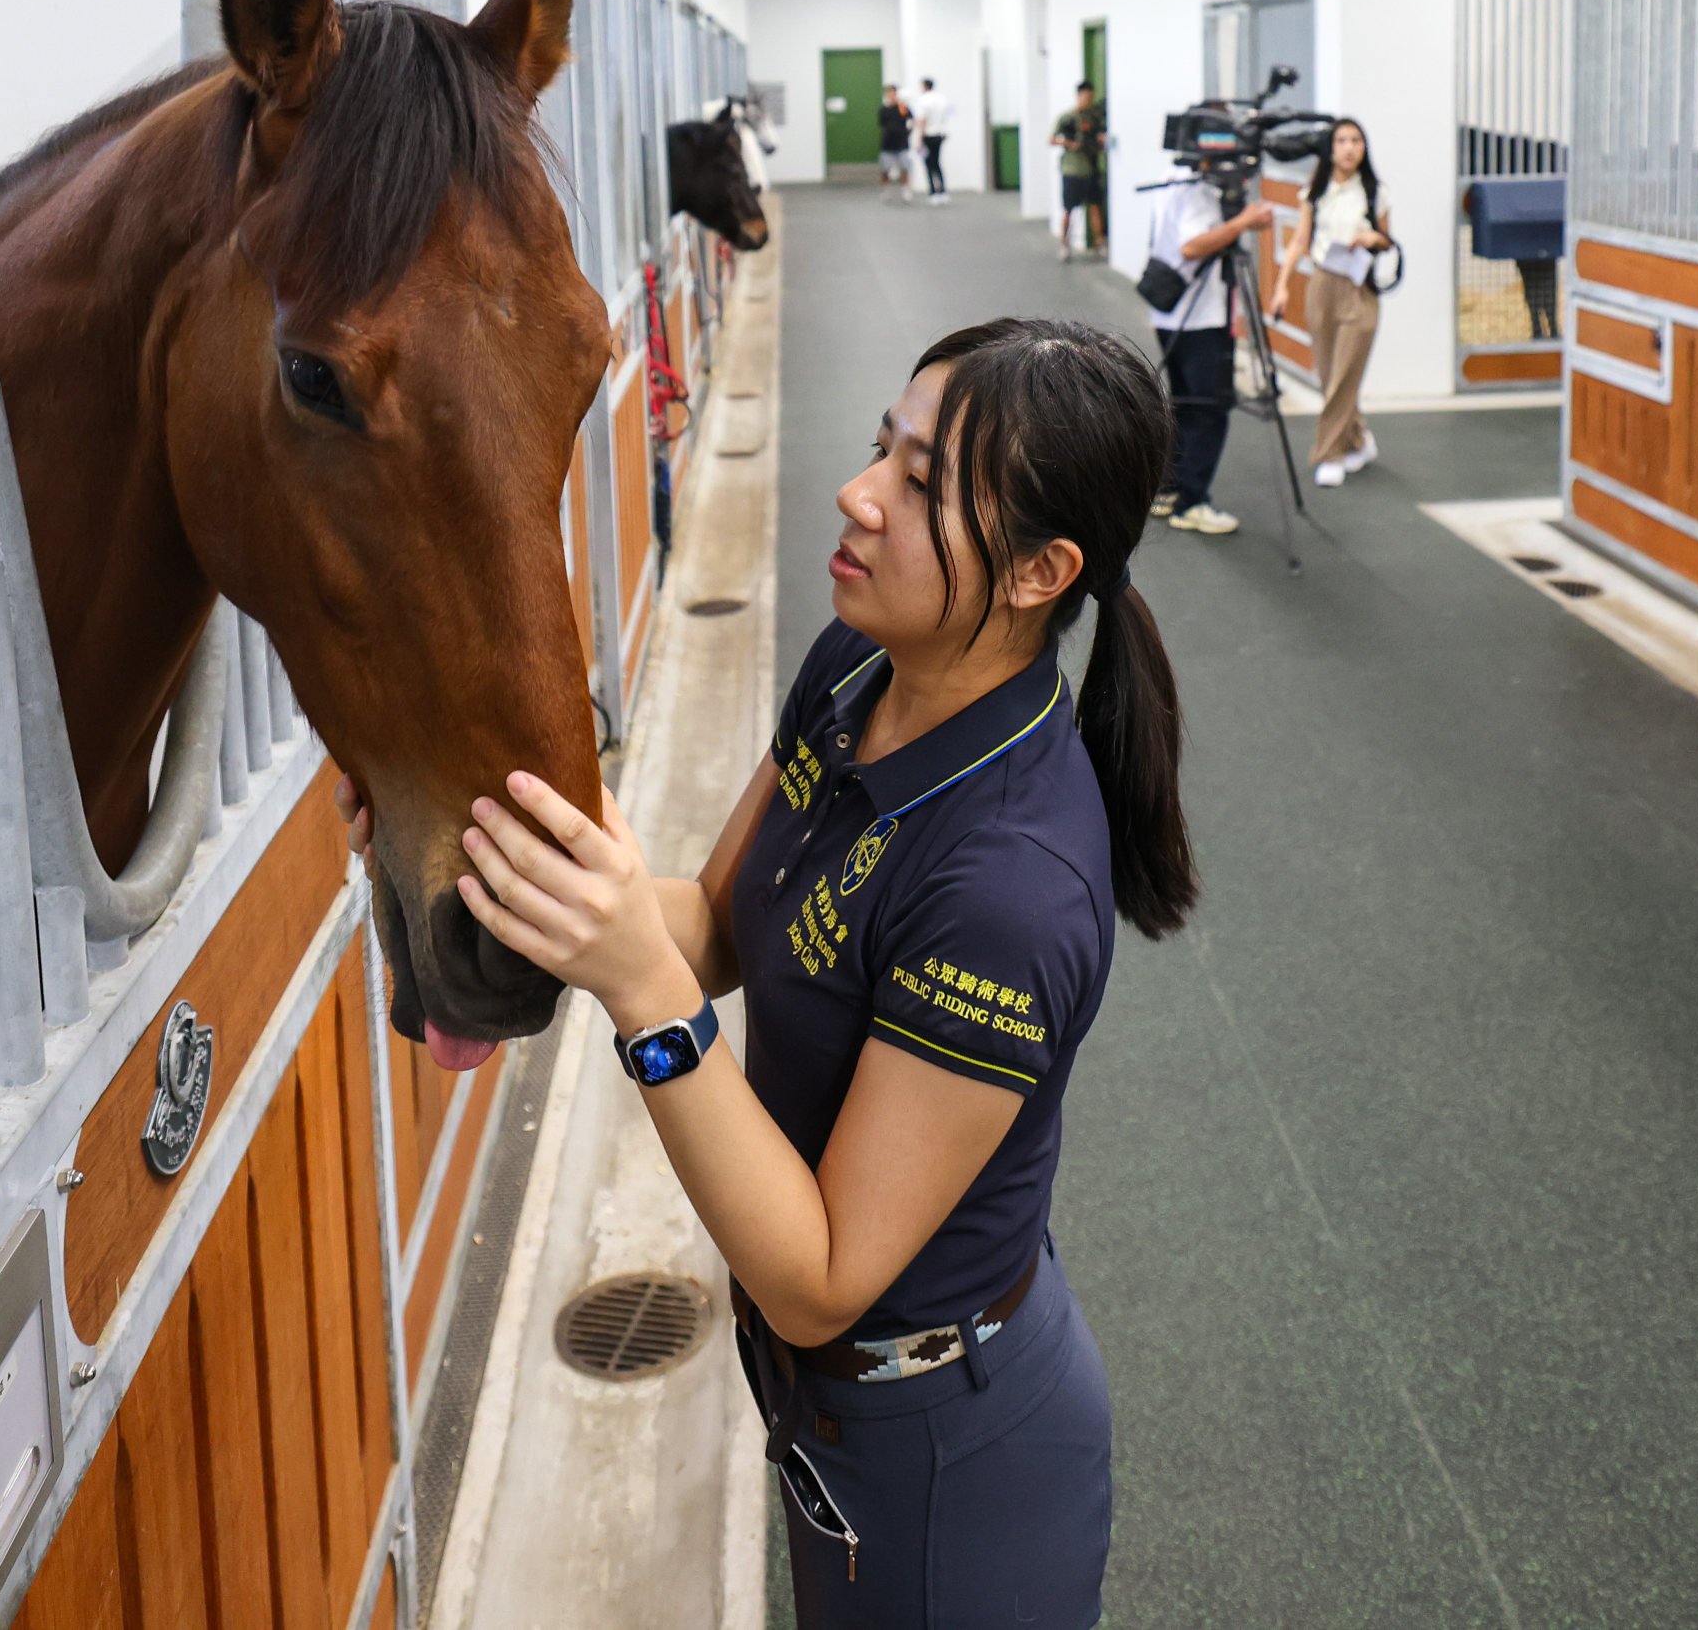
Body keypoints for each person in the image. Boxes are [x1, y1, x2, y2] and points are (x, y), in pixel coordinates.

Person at [412, 318, 1197, 1629]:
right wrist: (535, 890)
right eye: (880, 448)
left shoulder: (1010, 887)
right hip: (822, 1406)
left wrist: (643, 1000)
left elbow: (821, 1272)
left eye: (926, 483)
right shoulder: (864, 665)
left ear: (1041, 571)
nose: (862, 493)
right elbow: (720, 921)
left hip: (949, 1453)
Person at [1138, 164, 1265, 536]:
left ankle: (1170, 488)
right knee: (1210, 407)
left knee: (1185, 403)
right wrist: (1243, 221)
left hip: (1171, 310)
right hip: (1201, 316)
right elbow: (1192, 246)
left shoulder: (1171, 178)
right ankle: (1192, 503)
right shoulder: (1198, 191)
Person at [1270, 118, 1394, 488]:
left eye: (1356, 139)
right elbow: (1299, 242)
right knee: (1329, 375)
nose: (1349, 147)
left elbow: (1389, 240)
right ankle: (1357, 438)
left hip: (1359, 288)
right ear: (1330, 148)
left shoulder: (1375, 192)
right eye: (1341, 140)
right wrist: (1282, 286)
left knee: (1344, 374)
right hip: (1322, 285)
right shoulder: (1316, 192)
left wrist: (1373, 238)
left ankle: (1329, 453)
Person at [1048, 83, 1109, 260]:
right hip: (1072, 169)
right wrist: (1070, 144)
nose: (1088, 101)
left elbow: (1100, 138)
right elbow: (1051, 139)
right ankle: (1064, 244)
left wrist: (1100, 141)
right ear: (1079, 96)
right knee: (1069, 209)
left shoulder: (1094, 118)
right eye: (1085, 97)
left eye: (1091, 97)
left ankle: (1099, 242)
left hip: (1091, 168)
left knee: (1095, 206)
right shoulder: (1067, 118)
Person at [913, 77, 952, 202]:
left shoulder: (923, 100)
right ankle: (943, 191)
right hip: (939, 135)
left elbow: (922, 120)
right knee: (937, 162)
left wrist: (919, 139)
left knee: (929, 164)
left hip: (928, 135)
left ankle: (933, 192)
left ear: (924, 86)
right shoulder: (942, 99)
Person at [877, 87, 915, 197]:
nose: (891, 96)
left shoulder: (902, 108)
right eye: (888, 94)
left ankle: (905, 190)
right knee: (885, 169)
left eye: (893, 93)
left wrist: (907, 133)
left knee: (905, 168)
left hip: (902, 144)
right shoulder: (883, 110)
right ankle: (886, 190)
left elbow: (910, 120)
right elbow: (882, 125)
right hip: (887, 144)